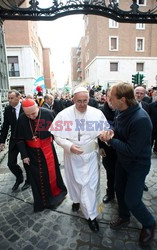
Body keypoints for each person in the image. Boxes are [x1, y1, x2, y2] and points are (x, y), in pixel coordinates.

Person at [100, 82, 156, 246]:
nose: (107, 99)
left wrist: (110, 140)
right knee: (119, 189)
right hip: (123, 162)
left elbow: (132, 150)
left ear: (122, 99)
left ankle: (149, 223)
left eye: (111, 97)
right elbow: (116, 126)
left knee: (133, 200)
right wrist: (110, 130)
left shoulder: (141, 119)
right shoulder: (120, 110)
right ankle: (124, 216)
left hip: (137, 165)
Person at [50, 86, 109, 232]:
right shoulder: (64, 115)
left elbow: (104, 132)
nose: (82, 105)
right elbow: (56, 136)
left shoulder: (97, 113)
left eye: (85, 101)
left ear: (89, 99)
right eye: (79, 101)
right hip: (72, 156)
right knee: (75, 182)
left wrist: (105, 139)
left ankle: (91, 216)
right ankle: (76, 200)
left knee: (90, 185)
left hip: (91, 156)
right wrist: (68, 145)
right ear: (73, 100)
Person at [15, 98, 67, 212]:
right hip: (31, 154)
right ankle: (41, 202)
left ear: (37, 107)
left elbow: (58, 132)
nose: (32, 117)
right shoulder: (22, 119)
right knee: (37, 179)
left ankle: (55, 197)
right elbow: (19, 139)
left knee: (51, 174)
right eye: (28, 115)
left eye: (33, 113)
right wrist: (24, 155)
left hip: (48, 150)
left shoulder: (48, 114)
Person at [0, 90, 30, 191]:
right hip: (14, 140)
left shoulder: (25, 107)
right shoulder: (8, 109)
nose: (9, 100)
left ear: (18, 97)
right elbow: (5, 126)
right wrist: (2, 141)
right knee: (10, 163)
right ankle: (19, 177)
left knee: (27, 162)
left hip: (26, 140)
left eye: (11, 98)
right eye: (8, 98)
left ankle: (29, 181)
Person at [98, 89, 117, 203]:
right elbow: (96, 131)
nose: (111, 100)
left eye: (113, 97)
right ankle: (110, 193)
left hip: (122, 149)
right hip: (107, 150)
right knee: (110, 173)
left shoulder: (123, 110)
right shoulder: (100, 112)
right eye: (108, 97)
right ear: (105, 97)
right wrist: (100, 147)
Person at [134, 86, 150, 191]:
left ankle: (141, 182)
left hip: (144, 142)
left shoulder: (147, 106)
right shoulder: (126, 105)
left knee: (143, 164)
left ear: (144, 95)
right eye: (137, 93)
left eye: (141, 93)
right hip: (132, 141)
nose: (139, 95)